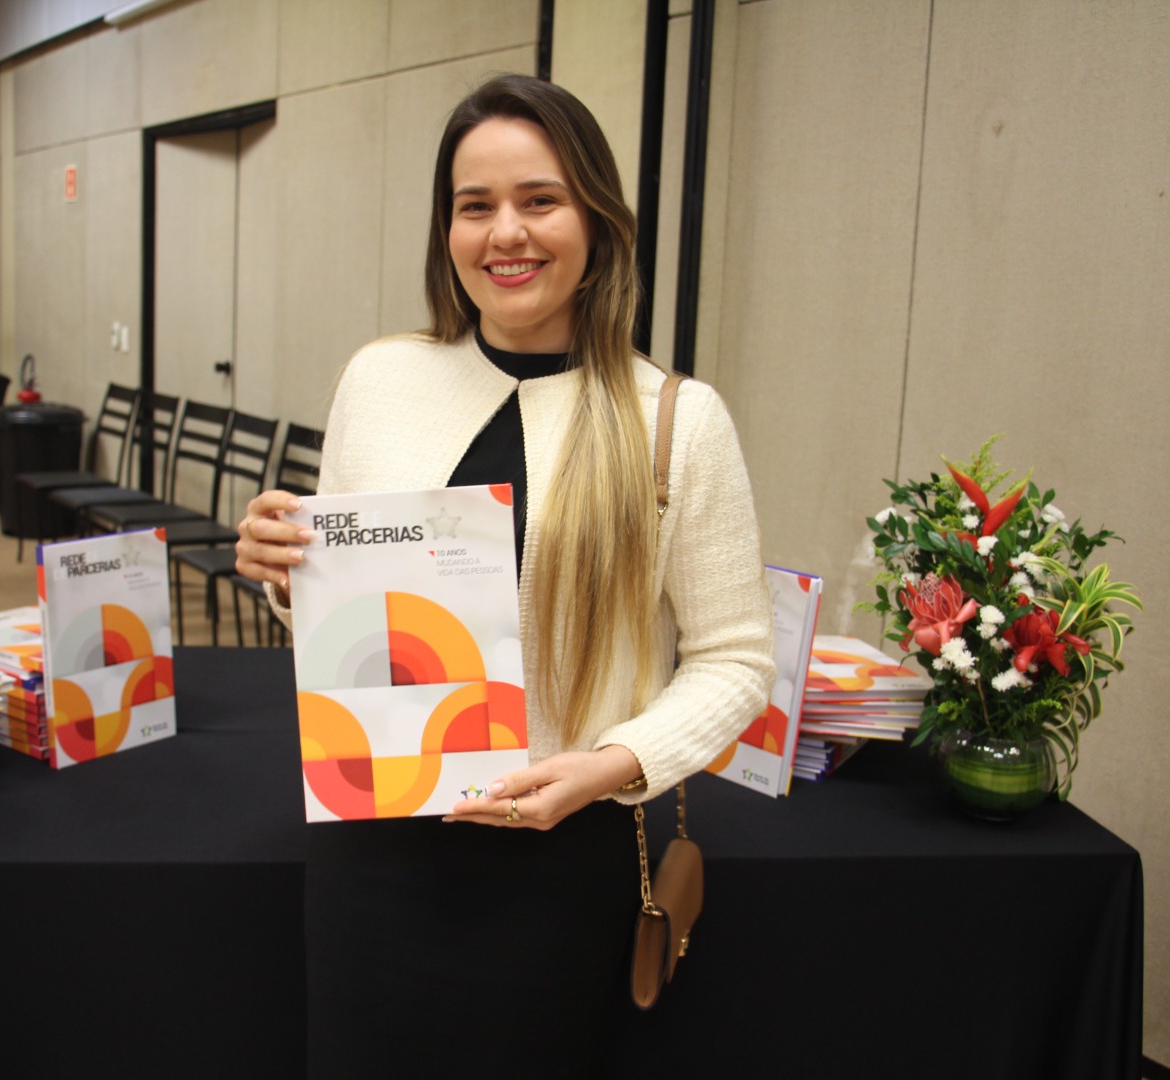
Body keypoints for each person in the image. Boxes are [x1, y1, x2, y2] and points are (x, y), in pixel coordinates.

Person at [234, 75, 775, 1074]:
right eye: (473, 206)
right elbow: (349, 615)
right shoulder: (381, 379)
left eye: (539, 200)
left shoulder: (675, 421)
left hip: (559, 860)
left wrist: (610, 767)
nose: (505, 233)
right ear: (446, 228)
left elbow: (738, 660)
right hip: (373, 846)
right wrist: (283, 574)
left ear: (596, 217)